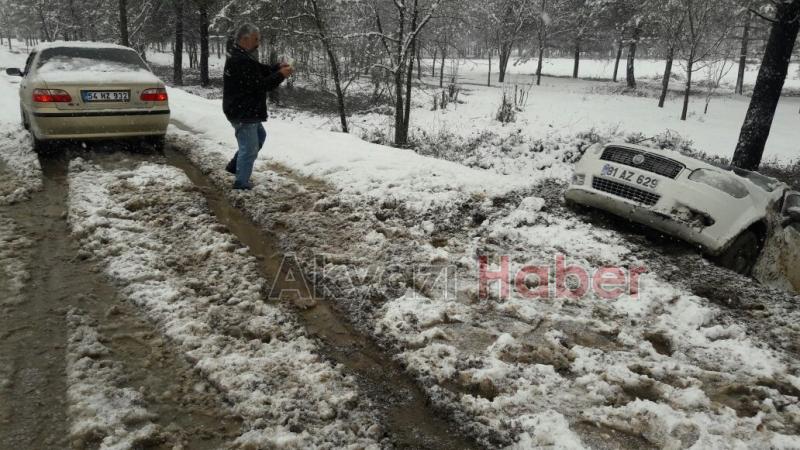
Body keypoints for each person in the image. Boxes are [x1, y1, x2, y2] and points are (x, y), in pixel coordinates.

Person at [222, 22, 294, 190]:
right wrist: (281, 75)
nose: (258, 43)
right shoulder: (240, 60)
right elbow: (261, 85)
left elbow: (259, 70)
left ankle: (234, 167)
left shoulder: (241, 55)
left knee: (259, 137)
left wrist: (277, 68)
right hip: (243, 112)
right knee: (250, 149)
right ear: (245, 39)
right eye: (256, 39)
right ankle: (241, 184)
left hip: (243, 109)